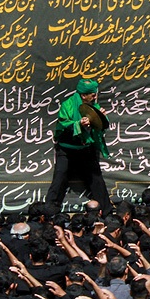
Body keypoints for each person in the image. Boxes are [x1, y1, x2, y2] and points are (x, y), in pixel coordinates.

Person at [47, 78, 112, 215]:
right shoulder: (68, 105)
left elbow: (101, 126)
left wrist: (102, 118)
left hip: (86, 149)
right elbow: (63, 124)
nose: (95, 97)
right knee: (60, 178)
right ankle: (50, 213)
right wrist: (78, 124)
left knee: (97, 180)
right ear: (83, 95)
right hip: (67, 149)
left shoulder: (94, 105)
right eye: (93, 95)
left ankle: (106, 212)